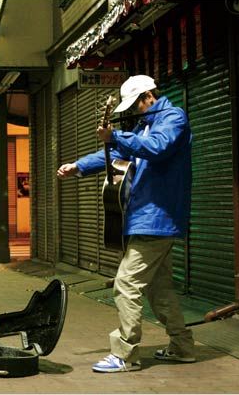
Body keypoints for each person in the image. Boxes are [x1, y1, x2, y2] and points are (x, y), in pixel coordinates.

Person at [57, 75, 195, 373]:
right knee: (159, 290)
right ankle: (182, 346)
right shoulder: (142, 126)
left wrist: (116, 137)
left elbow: (157, 147)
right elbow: (118, 153)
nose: (134, 111)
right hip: (145, 216)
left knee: (126, 284)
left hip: (157, 217)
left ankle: (124, 354)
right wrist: (78, 166)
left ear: (148, 96)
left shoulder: (173, 117)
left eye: (136, 104)